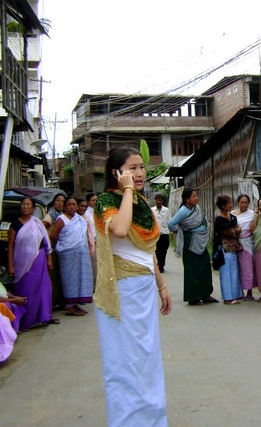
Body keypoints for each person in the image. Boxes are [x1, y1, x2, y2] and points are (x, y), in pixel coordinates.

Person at [93, 145, 171, 427]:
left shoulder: (139, 204)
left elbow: (148, 251)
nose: (139, 173)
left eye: (141, 167)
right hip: (122, 292)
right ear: (117, 172)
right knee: (124, 363)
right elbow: (120, 229)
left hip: (144, 289)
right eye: (132, 168)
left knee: (147, 359)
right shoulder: (106, 201)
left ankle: (153, 420)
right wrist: (127, 190)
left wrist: (162, 286)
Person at [6, 197, 60, 329]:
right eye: (23, 204)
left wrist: (49, 258)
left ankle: (45, 316)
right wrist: (10, 265)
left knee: (44, 288)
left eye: (28, 204)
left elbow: (46, 242)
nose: (25, 207)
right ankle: (26, 321)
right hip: (22, 263)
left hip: (39, 259)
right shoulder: (15, 225)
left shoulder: (37, 223)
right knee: (26, 289)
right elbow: (11, 246)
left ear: (32, 208)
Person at [168, 188, 218, 305]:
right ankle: (193, 297)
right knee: (193, 269)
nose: (196, 198)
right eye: (193, 196)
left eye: (196, 196)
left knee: (205, 266)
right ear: (187, 199)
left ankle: (206, 294)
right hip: (190, 242)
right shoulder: (183, 211)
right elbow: (171, 224)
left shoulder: (197, 208)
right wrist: (179, 232)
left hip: (201, 242)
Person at [49, 196, 94, 316]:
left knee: (80, 277)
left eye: (74, 204)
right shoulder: (61, 219)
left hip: (81, 255)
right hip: (67, 254)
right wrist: (60, 246)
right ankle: (69, 306)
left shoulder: (80, 219)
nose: (72, 207)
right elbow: (53, 235)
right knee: (70, 278)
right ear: (65, 207)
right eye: (69, 205)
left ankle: (75, 304)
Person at [213, 195, 243, 305]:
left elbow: (236, 229)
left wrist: (236, 230)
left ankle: (235, 295)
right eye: (228, 203)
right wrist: (236, 230)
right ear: (222, 206)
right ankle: (228, 297)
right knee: (226, 273)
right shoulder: (219, 220)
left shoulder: (232, 217)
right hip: (223, 249)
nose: (230, 205)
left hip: (233, 248)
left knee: (234, 271)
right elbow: (231, 231)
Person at [42, 193, 66, 309]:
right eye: (58, 201)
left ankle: (58, 301)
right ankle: (51, 303)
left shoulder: (61, 215)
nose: (60, 203)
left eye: (62, 201)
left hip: (59, 248)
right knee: (53, 277)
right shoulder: (51, 215)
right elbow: (42, 228)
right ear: (53, 202)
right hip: (51, 248)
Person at [232, 194, 257, 300]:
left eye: (246, 202)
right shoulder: (233, 214)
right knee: (237, 267)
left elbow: (253, 228)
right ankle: (238, 291)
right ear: (238, 203)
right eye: (242, 202)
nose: (244, 204)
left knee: (248, 267)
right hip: (235, 243)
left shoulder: (252, 214)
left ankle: (249, 291)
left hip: (247, 242)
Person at [151, 194, 171, 273]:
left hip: (165, 234)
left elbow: (170, 221)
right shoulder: (152, 210)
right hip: (156, 235)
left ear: (162, 201)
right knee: (157, 250)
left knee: (164, 250)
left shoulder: (166, 210)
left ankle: (161, 265)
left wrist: (171, 232)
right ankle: (160, 266)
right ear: (155, 201)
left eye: (160, 200)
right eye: (157, 200)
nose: (159, 202)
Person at [85, 192, 98, 283]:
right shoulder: (86, 214)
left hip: (100, 240)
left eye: (96, 200)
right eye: (93, 200)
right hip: (92, 240)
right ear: (88, 202)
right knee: (94, 263)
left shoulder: (98, 211)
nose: (95, 202)